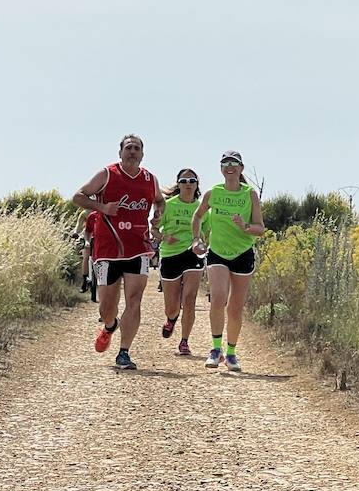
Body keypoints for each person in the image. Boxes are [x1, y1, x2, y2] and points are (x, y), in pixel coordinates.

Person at [72, 135, 162, 370]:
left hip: (138, 248)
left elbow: (160, 201)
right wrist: (102, 207)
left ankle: (124, 352)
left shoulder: (149, 179)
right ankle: (110, 326)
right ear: (120, 152)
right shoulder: (107, 174)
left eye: (137, 148)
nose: (132, 151)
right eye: (128, 148)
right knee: (107, 306)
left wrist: (157, 218)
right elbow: (78, 196)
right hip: (108, 250)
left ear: (143, 154)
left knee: (135, 300)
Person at [190, 151, 265, 372]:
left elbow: (260, 228)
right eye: (225, 163)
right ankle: (215, 349)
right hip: (218, 252)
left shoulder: (250, 194)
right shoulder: (213, 193)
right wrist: (196, 240)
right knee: (218, 298)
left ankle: (231, 353)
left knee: (235, 307)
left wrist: (245, 227)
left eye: (234, 163)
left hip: (243, 252)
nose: (229, 166)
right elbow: (197, 216)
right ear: (221, 168)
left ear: (241, 168)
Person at [158, 168, 205, 356]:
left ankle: (184, 341)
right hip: (170, 255)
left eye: (192, 180)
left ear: (196, 185)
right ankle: (171, 318)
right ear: (178, 184)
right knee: (172, 305)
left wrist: (203, 244)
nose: (188, 184)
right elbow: (153, 230)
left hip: (192, 254)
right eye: (184, 181)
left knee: (190, 299)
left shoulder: (202, 208)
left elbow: (208, 232)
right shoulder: (168, 205)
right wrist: (163, 236)